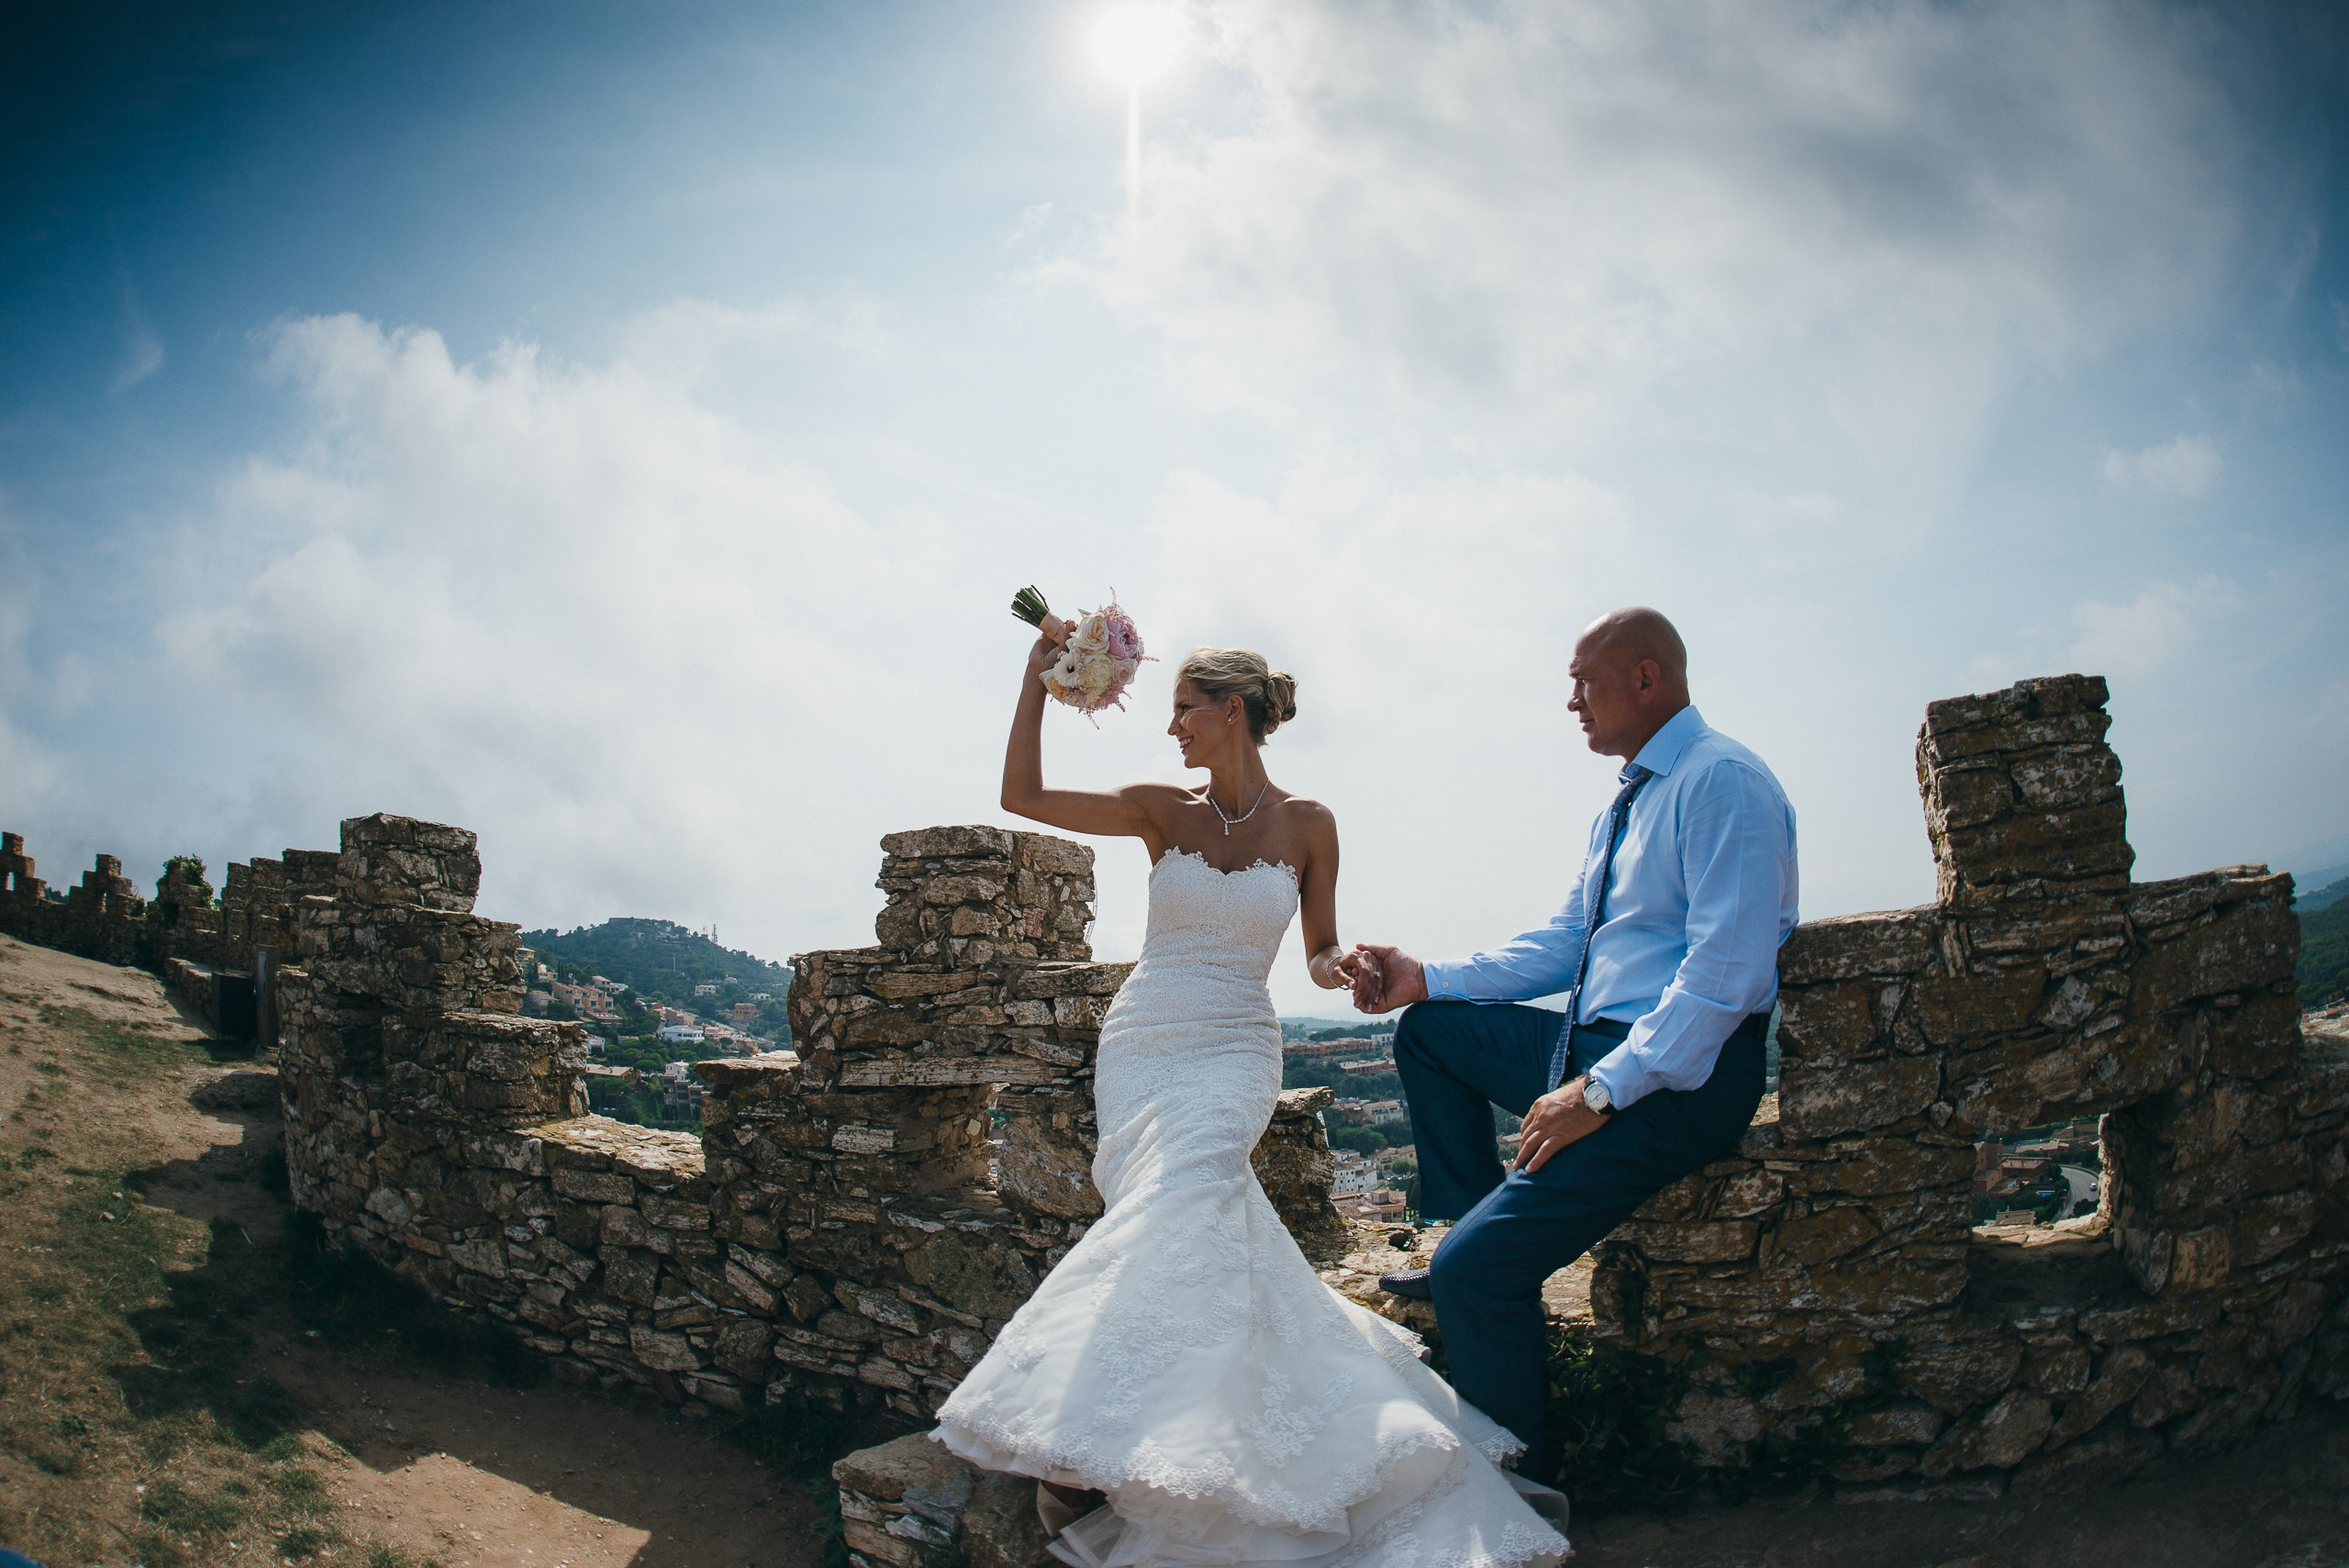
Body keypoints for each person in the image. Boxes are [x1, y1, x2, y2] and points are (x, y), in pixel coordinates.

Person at [932, 635, 1570, 1568]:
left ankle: (1080, 1445)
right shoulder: (1158, 808)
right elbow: (1020, 797)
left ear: (1232, 708)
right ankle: (1141, 1424)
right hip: (1146, 1039)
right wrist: (1034, 683)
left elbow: (1315, 947)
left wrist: (1339, 963)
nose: (1171, 724)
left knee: (1189, 1183)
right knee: (1162, 1210)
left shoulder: (1310, 822)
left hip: (1238, 1044)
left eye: (1184, 705)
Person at [1337, 606, 1798, 1470]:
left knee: (1479, 1275)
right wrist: (1423, 976)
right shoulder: (1628, 800)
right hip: (1596, 1049)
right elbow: (1565, 946)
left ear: (1646, 678)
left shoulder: (1721, 780)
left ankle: (1519, 1494)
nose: (1572, 702)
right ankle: (1462, 1226)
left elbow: (1725, 978)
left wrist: (1599, 1090)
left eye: (1585, 681)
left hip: (1679, 1078)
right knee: (1430, 1031)